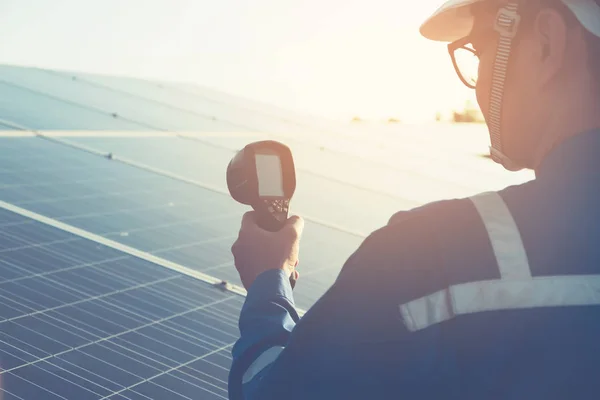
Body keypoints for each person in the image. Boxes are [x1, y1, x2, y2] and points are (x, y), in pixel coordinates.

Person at [228, 0, 600, 398]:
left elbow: (268, 392)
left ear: (546, 43)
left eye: (479, 50)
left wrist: (270, 278)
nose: (479, 82)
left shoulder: (432, 258)